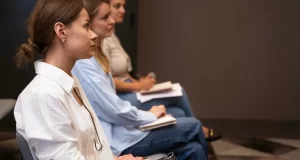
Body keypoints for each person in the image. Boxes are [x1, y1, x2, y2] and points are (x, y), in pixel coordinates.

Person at [72, 0, 208, 159]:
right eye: (105, 17)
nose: (112, 21)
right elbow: (113, 109)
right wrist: (149, 116)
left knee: (194, 147)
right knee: (194, 125)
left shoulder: (97, 54)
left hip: (119, 127)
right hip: (116, 139)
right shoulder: (84, 62)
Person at [14, 0, 143, 159]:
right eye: (86, 26)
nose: (93, 34)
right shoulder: (43, 95)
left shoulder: (69, 81)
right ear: (61, 31)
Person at [102, 0, 222, 141]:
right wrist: (138, 86)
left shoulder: (113, 36)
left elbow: (122, 74)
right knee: (179, 92)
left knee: (178, 112)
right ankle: (199, 129)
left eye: (124, 6)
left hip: (130, 90)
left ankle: (189, 145)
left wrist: (140, 83)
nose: (123, 11)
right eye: (117, 6)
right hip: (120, 98)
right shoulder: (103, 40)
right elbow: (107, 81)